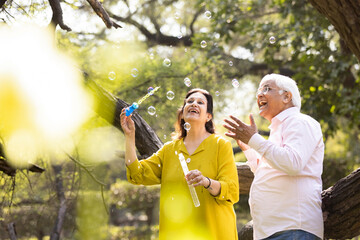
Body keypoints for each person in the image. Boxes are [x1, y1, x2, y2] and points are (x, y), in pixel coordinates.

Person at [120, 88, 239, 240]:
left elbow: (232, 190)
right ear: (182, 113)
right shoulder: (170, 150)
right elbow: (137, 174)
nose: (194, 104)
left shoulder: (220, 145)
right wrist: (130, 136)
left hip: (214, 232)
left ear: (208, 116)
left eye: (200, 102)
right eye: (189, 101)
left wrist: (206, 182)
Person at [223, 74, 324, 240]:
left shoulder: (300, 121)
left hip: (293, 229)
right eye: (259, 90)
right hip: (273, 231)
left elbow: (293, 163)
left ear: (286, 96)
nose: (260, 94)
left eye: (267, 88)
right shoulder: (278, 130)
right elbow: (270, 171)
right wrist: (249, 148)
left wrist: (254, 139)